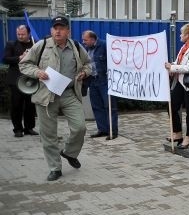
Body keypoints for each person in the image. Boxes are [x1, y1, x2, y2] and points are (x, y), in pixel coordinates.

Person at [19, 16, 92, 181]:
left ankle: (69, 152)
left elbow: (88, 64)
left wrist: (84, 73)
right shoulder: (42, 45)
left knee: (80, 127)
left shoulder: (76, 47)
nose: (58, 31)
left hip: (69, 93)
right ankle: (55, 168)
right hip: (46, 94)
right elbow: (24, 64)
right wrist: (37, 72)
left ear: (68, 31)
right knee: (48, 134)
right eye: (55, 28)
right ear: (51, 30)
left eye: (61, 28)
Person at [164, 24, 189, 150]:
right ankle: (177, 133)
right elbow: (179, 62)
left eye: (182, 33)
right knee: (172, 106)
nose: (180, 35)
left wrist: (173, 68)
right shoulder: (184, 47)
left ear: (187, 35)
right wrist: (172, 65)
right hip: (181, 82)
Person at [81, 30, 119, 140]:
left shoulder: (105, 45)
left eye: (85, 40)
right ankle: (102, 129)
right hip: (92, 81)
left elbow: (114, 60)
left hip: (105, 81)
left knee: (110, 106)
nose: (83, 42)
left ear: (93, 39)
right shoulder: (87, 49)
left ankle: (113, 131)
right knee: (96, 106)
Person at [3, 24, 37, 137]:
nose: (20, 36)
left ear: (28, 34)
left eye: (23, 34)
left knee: (30, 105)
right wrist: (19, 58)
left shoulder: (35, 44)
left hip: (30, 79)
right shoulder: (11, 44)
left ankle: (29, 128)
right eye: (18, 34)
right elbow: (5, 59)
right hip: (16, 80)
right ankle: (17, 129)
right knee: (16, 105)